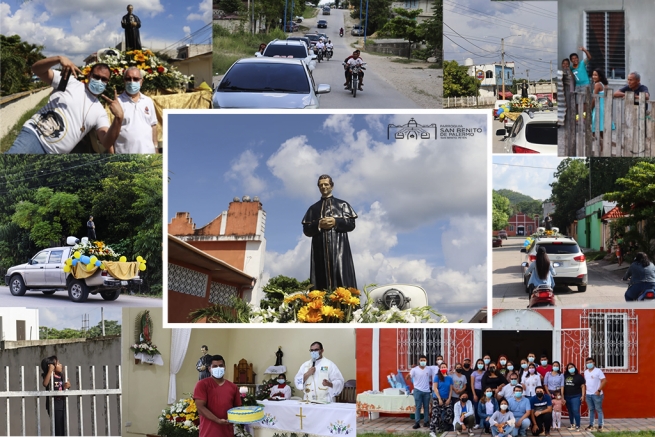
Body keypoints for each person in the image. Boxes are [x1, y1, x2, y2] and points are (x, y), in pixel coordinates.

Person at [6, 57, 123, 154]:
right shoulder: (70, 82)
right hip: (35, 137)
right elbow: (36, 69)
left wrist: (118, 119)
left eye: (104, 79)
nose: (99, 81)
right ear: (89, 76)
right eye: (96, 77)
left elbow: (106, 142)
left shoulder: (100, 111)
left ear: (107, 82)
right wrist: (58, 59)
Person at [302, 175, 357, 291]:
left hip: (339, 249)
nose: (323, 187)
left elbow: (351, 224)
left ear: (331, 186)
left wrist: (336, 221)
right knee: (320, 280)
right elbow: (306, 230)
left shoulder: (343, 205)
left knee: (341, 278)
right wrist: (318, 224)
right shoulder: (313, 209)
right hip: (319, 249)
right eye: (321, 185)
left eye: (326, 184)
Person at [193, 354, 242, 437]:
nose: (218, 368)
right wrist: (217, 420)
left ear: (225, 367)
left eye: (221, 366)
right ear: (209, 369)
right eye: (215, 366)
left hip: (227, 433)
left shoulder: (233, 387)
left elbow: (237, 408)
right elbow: (200, 408)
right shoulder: (202, 384)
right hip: (208, 433)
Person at [114, 67, 157, 154]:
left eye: (136, 79)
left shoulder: (148, 101)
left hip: (148, 154)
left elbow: (153, 125)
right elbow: (110, 131)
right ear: (124, 81)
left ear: (141, 81)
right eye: (128, 79)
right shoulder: (117, 102)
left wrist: (156, 147)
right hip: (124, 154)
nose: (132, 82)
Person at [41, 356, 71, 436]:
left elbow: (63, 388)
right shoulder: (49, 377)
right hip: (54, 406)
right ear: (52, 366)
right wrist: (50, 370)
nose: (61, 365)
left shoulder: (61, 376)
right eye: (58, 363)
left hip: (62, 404)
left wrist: (67, 386)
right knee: (57, 428)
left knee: (64, 427)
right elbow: (45, 384)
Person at [406, 354, 432, 429]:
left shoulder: (429, 369)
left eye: (424, 360)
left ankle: (426, 422)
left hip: (427, 391)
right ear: (419, 361)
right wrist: (408, 376)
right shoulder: (414, 369)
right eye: (421, 360)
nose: (423, 361)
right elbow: (409, 375)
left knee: (426, 407)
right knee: (418, 407)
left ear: (426, 361)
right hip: (417, 391)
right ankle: (417, 422)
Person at [583, 357, 606, 432]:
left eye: (590, 362)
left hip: (596, 394)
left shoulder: (598, 371)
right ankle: (591, 425)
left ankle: (600, 425)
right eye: (587, 363)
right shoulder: (586, 372)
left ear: (594, 363)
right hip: (588, 394)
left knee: (598, 409)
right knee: (591, 410)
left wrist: (599, 390)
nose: (589, 364)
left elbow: (604, 381)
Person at [431, 363, 454, 433]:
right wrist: (439, 399)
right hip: (437, 398)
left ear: (447, 368)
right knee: (436, 414)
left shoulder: (450, 378)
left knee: (449, 413)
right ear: (440, 368)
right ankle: (432, 429)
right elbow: (435, 388)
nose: (443, 368)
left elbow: (450, 389)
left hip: (447, 398)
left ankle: (443, 427)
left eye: (444, 367)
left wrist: (449, 398)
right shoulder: (437, 377)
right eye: (442, 367)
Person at [563, 362, 586, 431]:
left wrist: (583, 395)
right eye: (569, 368)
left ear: (574, 368)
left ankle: (578, 425)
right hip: (567, 396)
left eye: (572, 367)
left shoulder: (579, 376)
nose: (571, 368)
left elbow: (583, 386)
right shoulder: (565, 376)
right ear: (567, 369)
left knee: (575, 410)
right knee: (570, 411)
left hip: (576, 396)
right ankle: (572, 424)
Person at [470, 358, 486, 425]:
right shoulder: (474, 373)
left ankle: (483, 422)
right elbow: (472, 384)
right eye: (479, 363)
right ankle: (477, 423)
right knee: (476, 408)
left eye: (481, 363)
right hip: (476, 391)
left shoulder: (485, 373)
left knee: (483, 407)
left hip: (484, 392)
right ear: (477, 364)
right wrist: (474, 394)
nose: (480, 365)